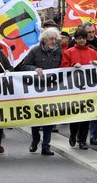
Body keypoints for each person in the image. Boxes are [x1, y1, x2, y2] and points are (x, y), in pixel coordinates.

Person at [21, 28, 62, 156]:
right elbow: (24, 65)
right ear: (44, 40)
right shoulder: (35, 51)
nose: (54, 41)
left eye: (55, 39)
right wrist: (34, 69)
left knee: (49, 118)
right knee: (36, 117)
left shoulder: (59, 52)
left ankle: (46, 146)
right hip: (37, 89)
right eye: (51, 39)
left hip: (51, 90)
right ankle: (35, 139)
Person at [60, 27, 97, 150]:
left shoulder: (93, 52)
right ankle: (73, 135)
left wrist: (96, 64)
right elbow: (63, 68)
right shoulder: (69, 52)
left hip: (88, 90)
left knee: (86, 116)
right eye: (79, 38)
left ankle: (82, 140)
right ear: (75, 39)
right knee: (75, 115)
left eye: (83, 38)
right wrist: (73, 66)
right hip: (74, 90)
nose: (81, 40)